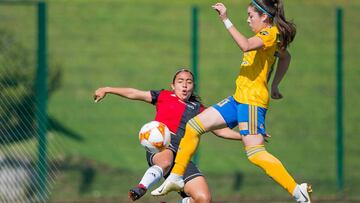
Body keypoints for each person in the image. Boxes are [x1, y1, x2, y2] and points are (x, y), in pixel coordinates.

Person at [151, 1, 313, 203]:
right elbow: (285, 57)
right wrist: (275, 85)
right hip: (239, 98)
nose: (248, 20)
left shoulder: (270, 34)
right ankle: (176, 177)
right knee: (194, 126)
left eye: (250, 16)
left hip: (252, 102)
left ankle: (298, 191)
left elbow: (245, 45)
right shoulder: (270, 37)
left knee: (255, 153)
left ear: (264, 17)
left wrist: (225, 19)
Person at [94, 68, 242, 203]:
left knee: (204, 199)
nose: (185, 85)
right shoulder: (164, 95)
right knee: (166, 160)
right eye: (180, 81)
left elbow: (220, 131)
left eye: (189, 82)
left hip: (183, 156)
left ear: (193, 87)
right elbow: (134, 93)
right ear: (173, 85)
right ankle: (141, 187)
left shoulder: (199, 109)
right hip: (162, 145)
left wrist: (246, 136)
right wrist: (107, 89)